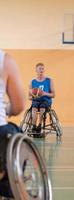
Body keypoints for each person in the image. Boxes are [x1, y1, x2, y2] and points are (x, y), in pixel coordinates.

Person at [0, 50, 26, 197]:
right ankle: (11, 187)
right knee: (15, 132)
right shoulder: (5, 60)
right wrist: (7, 110)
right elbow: (19, 106)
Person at [29, 63, 55, 133]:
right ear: (36, 70)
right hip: (36, 100)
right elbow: (29, 97)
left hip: (45, 101)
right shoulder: (32, 82)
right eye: (40, 68)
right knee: (34, 108)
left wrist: (44, 93)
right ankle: (34, 126)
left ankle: (40, 125)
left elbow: (53, 95)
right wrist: (34, 96)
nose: (41, 70)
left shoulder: (49, 80)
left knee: (42, 107)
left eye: (43, 69)